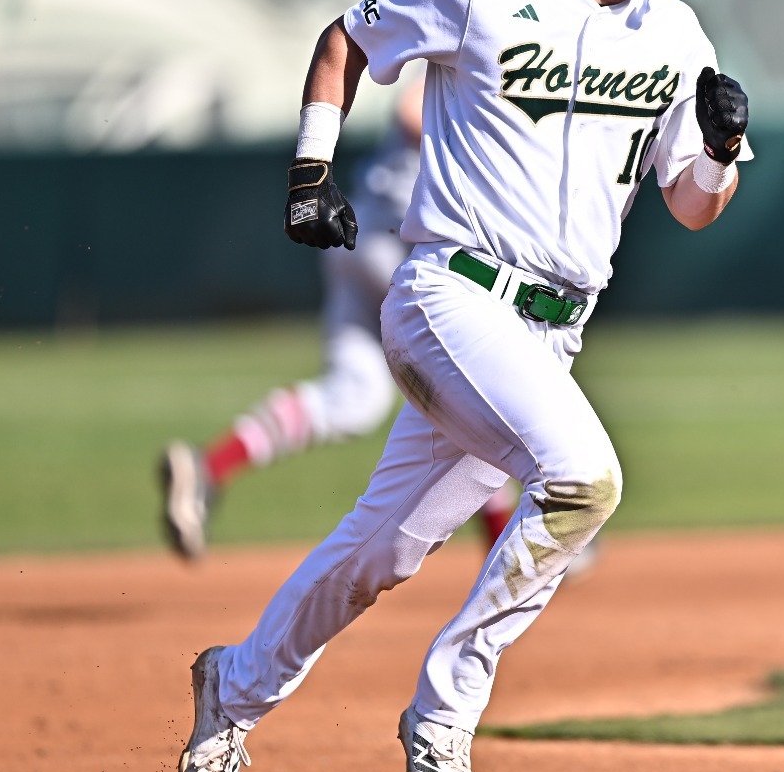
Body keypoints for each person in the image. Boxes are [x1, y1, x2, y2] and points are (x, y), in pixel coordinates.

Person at [175, 0, 751, 772]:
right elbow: (346, 40)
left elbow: (691, 204)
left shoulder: (673, 38)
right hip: (450, 294)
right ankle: (450, 701)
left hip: (549, 332)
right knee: (583, 479)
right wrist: (310, 169)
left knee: (382, 553)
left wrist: (722, 150)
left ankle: (233, 685)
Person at [158, 72, 526, 562]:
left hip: (370, 245)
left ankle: (209, 468)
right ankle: (508, 537)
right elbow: (411, 112)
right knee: (469, 384)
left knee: (354, 397)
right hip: (394, 250)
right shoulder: (467, 64)